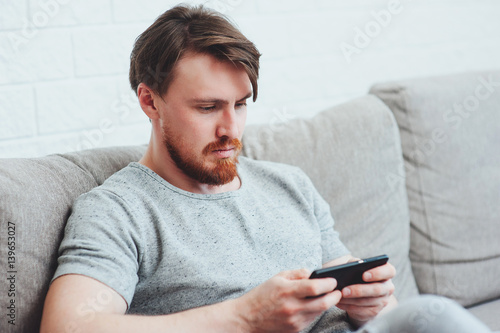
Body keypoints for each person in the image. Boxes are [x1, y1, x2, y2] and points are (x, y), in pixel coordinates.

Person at [40, 5, 492, 333]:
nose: (230, 128)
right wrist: (245, 317)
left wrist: (369, 302)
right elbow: (67, 327)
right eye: (207, 107)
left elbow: (369, 301)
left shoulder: (289, 184)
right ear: (148, 100)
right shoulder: (118, 210)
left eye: (240, 105)